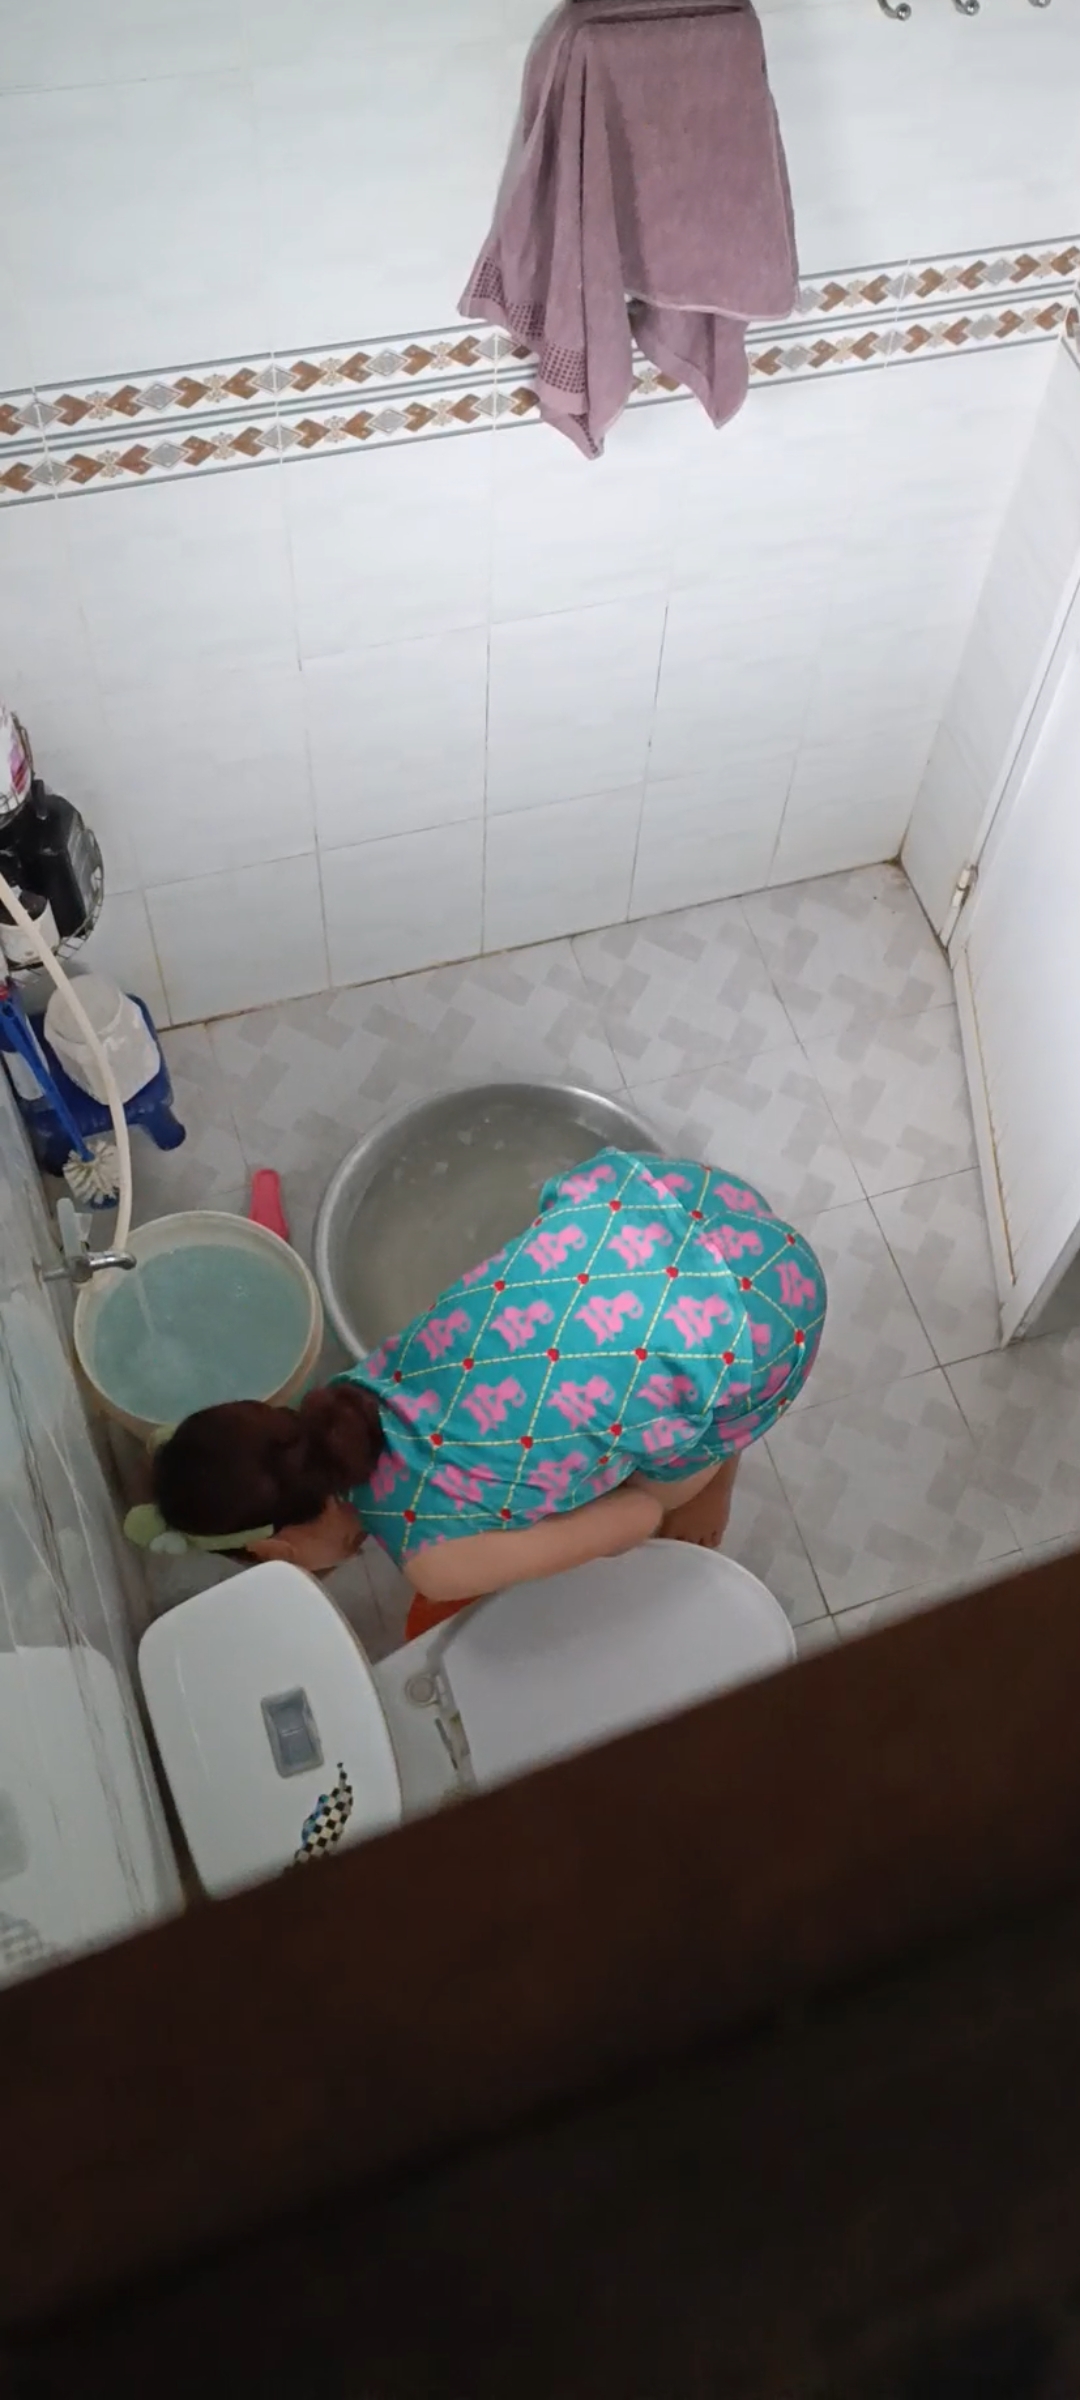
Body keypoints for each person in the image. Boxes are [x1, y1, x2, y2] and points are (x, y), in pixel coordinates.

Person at [137, 1150, 826, 1616]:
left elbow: (639, 1518)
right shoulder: (348, 1393)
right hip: (664, 1200)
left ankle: (719, 1468)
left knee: (656, 1489)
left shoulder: (435, 1566)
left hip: (760, 1319)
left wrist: (563, 1531)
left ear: (277, 1549)